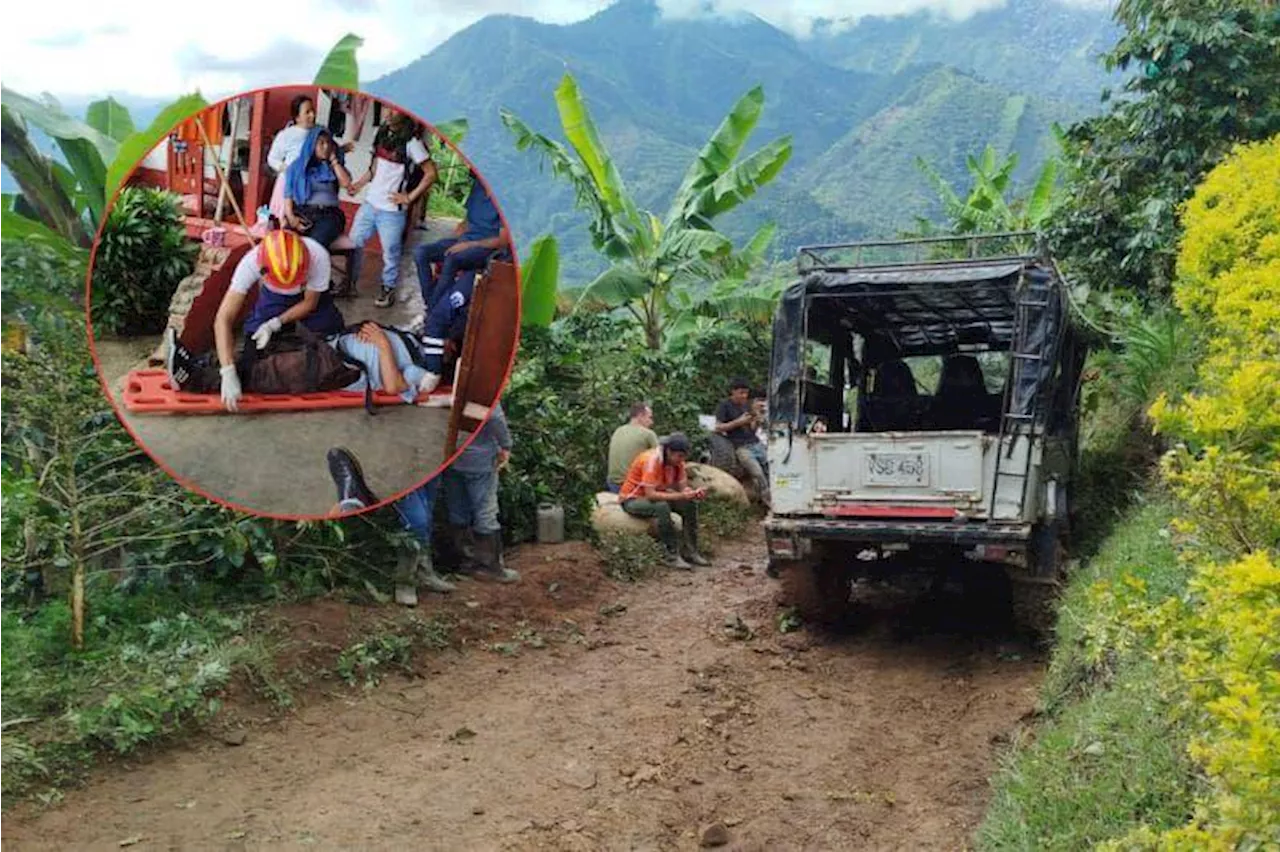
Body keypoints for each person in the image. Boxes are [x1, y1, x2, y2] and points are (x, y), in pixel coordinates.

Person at [163, 228, 344, 412]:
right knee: (253, 350)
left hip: (310, 299)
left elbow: (310, 304)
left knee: (328, 340)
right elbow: (223, 318)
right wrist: (227, 371)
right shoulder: (251, 262)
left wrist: (277, 323)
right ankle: (204, 369)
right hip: (274, 299)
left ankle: (200, 373)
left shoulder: (317, 256)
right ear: (263, 271)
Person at [324, 448, 455, 606]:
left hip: (426, 450)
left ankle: (424, 572)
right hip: (399, 460)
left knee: (427, 510)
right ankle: (405, 582)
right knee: (417, 520)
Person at [347, 110, 437, 309]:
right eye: (386, 108)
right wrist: (358, 185)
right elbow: (374, 169)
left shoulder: (412, 143)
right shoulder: (381, 133)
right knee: (354, 244)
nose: (388, 112)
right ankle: (349, 284)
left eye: (394, 109)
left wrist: (409, 197)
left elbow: (431, 174)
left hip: (392, 210)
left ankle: (388, 289)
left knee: (390, 253)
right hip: (370, 203)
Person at [443, 401, 520, 583]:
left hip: (451, 458)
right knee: (485, 510)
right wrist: (506, 445)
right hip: (480, 458)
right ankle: (488, 566)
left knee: (458, 509)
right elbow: (494, 416)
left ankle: (466, 562)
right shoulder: (483, 387)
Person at [413, 173, 508, 315]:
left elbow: (502, 241)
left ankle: (432, 312)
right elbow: (467, 221)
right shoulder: (478, 187)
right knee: (421, 252)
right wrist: (451, 239)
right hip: (466, 240)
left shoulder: (505, 198)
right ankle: (432, 304)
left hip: (485, 248)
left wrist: (469, 245)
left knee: (452, 257)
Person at [618, 433, 710, 569]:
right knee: (662, 507)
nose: (681, 460)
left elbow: (683, 488)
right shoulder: (651, 461)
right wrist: (680, 496)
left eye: (684, 457)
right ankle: (670, 555)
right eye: (679, 456)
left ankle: (691, 551)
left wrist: (692, 494)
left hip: (658, 494)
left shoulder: (678, 463)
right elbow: (651, 495)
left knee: (689, 504)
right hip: (633, 499)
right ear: (669, 451)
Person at [282, 127, 353, 249]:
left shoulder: (332, 166)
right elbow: (288, 195)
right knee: (287, 243)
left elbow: (346, 183)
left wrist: (334, 161)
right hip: (303, 212)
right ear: (311, 145)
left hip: (329, 215)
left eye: (328, 143)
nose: (326, 147)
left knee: (314, 245)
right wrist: (291, 218)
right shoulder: (296, 167)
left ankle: (314, 267)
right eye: (321, 143)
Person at [714, 377, 770, 504]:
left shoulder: (747, 405)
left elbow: (752, 429)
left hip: (756, 443)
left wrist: (756, 419)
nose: (744, 396)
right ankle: (767, 499)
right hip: (741, 446)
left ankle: (775, 496)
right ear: (733, 392)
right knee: (757, 473)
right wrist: (738, 422)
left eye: (746, 393)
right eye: (741, 393)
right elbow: (716, 427)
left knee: (770, 468)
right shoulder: (724, 406)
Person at [606, 401, 658, 493]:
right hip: (631, 486)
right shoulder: (648, 434)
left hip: (613, 485)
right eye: (649, 418)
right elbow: (661, 460)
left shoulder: (619, 430)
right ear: (641, 416)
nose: (651, 422)